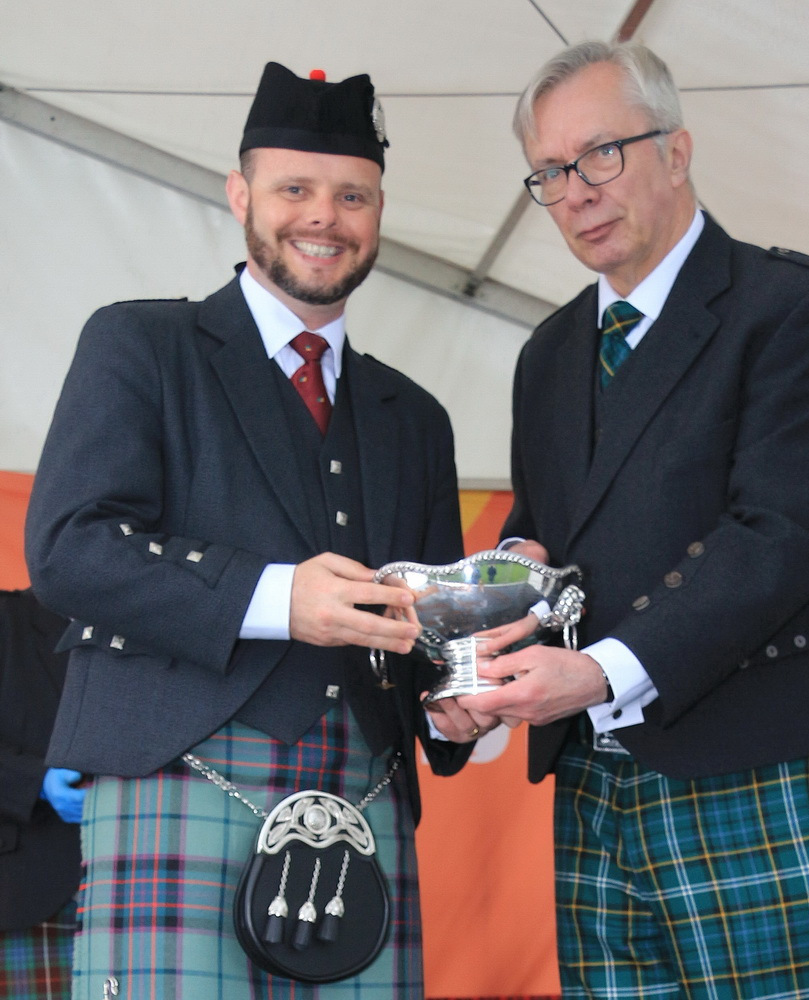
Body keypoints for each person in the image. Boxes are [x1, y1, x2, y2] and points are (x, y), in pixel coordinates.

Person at [25, 62, 486, 1000]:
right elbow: (69, 547)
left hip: (362, 792)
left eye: (352, 195)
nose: (325, 217)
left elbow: (431, 628)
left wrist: (456, 705)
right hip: (175, 776)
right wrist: (279, 598)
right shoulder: (142, 345)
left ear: (379, 212)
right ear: (240, 196)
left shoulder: (415, 418)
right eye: (294, 189)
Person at [461, 40, 809, 998]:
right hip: (592, 783)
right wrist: (494, 615)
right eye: (551, 171)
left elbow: (785, 532)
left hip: (753, 772)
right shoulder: (549, 352)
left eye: (601, 154)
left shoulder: (789, 307)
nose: (577, 191)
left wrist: (602, 671)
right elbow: (547, 529)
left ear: (678, 151)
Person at [0, 588, 82, 1000]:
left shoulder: (162, 629)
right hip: (32, 886)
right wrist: (35, 783)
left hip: (146, 876)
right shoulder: (6, 619)